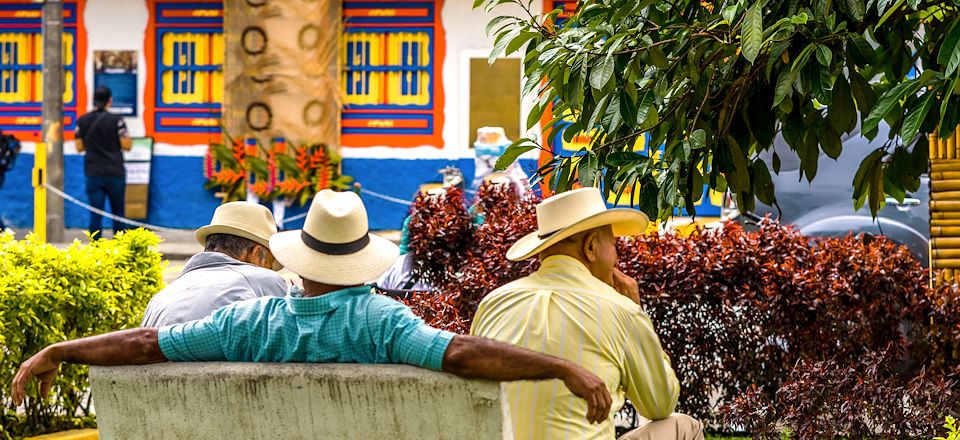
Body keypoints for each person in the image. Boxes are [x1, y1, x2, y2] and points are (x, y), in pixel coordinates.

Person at [12, 190, 613, 425]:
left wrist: (57, 350)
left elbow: (145, 345)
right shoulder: (381, 325)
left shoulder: (250, 324)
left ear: (299, 260)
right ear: (360, 260)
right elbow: (460, 353)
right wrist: (563, 366)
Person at [471, 187, 703, 440]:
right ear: (591, 246)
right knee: (684, 425)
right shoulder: (620, 309)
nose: (616, 259)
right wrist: (636, 313)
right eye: (614, 246)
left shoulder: (493, 303)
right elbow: (660, 404)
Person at [140, 201, 287, 327]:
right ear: (255, 254)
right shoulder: (265, 279)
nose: (271, 271)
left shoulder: (161, 297)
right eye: (269, 263)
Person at [75, 86, 132, 237]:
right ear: (110, 101)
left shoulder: (82, 121)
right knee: (118, 213)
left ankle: (96, 248)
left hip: (93, 172)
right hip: (115, 172)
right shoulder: (117, 121)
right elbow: (127, 145)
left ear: (94, 101)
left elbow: (79, 147)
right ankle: (120, 247)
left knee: (95, 213)